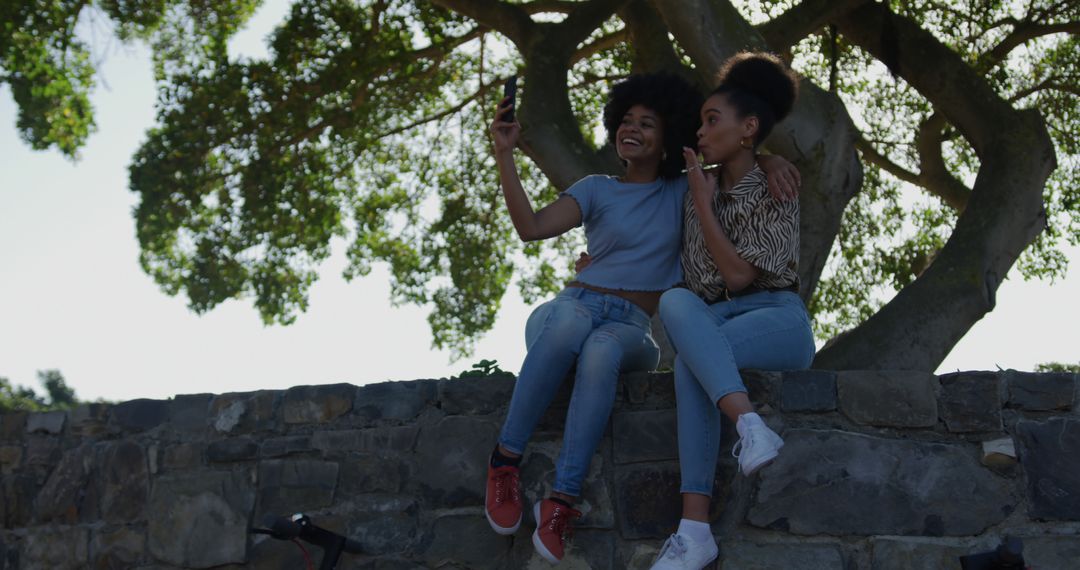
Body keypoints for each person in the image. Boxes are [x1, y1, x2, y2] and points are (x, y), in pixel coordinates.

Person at [648, 53, 816, 570]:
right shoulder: (692, 183)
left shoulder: (775, 184)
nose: (700, 131)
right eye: (699, 121)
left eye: (711, 120)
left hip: (777, 318)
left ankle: (698, 523)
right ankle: (701, 519)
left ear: (749, 129)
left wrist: (712, 197)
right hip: (712, 321)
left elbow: (742, 277)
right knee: (678, 310)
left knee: (690, 361)